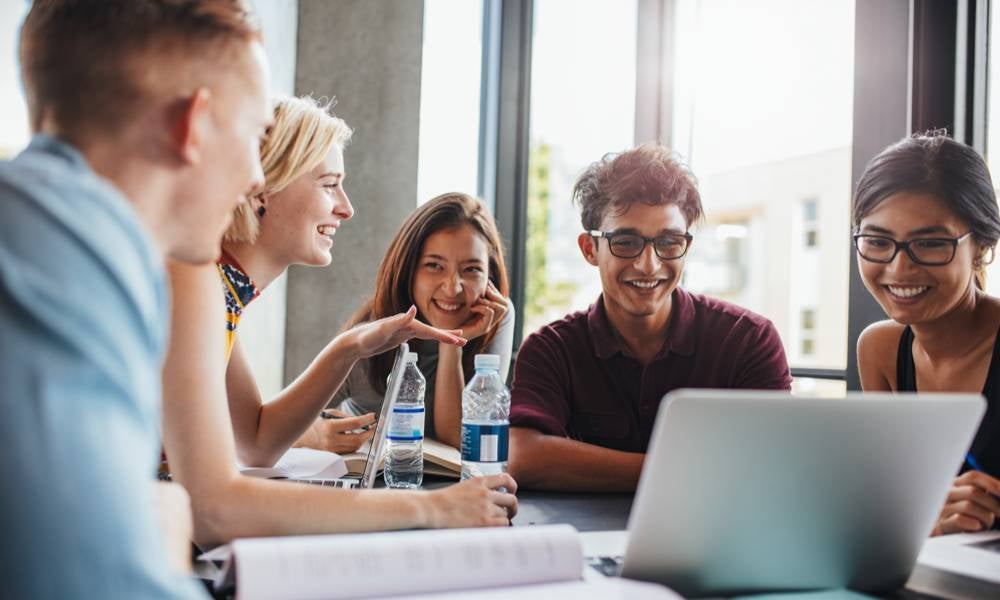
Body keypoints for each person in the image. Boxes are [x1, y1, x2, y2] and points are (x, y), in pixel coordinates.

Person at [0, 0, 272, 597]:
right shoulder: (69, 252)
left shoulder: (49, 226)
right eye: (255, 134)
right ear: (193, 125)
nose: (257, 175)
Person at [162, 96, 517, 548]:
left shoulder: (223, 294)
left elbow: (255, 442)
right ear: (263, 187)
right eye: (330, 184)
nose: (346, 208)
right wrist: (434, 507)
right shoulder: (196, 284)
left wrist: (349, 346)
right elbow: (216, 508)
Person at [507, 143, 792, 492]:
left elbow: (769, 465)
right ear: (589, 249)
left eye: (669, 242)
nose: (648, 264)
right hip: (582, 541)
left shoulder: (748, 340)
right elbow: (524, 457)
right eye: (626, 241)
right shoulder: (551, 349)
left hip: (710, 543)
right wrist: (692, 473)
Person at [853, 132, 1000, 535]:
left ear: (983, 245)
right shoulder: (880, 349)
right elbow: (895, 500)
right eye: (878, 242)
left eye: (931, 243)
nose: (899, 269)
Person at [296, 192, 513, 450]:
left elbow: (458, 438)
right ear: (408, 271)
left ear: (490, 276)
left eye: (472, 270)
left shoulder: (495, 316)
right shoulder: (369, 339)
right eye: (434, 266)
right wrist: (316, 435)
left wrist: (451, 344)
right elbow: (274, 429)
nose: (453, 288)